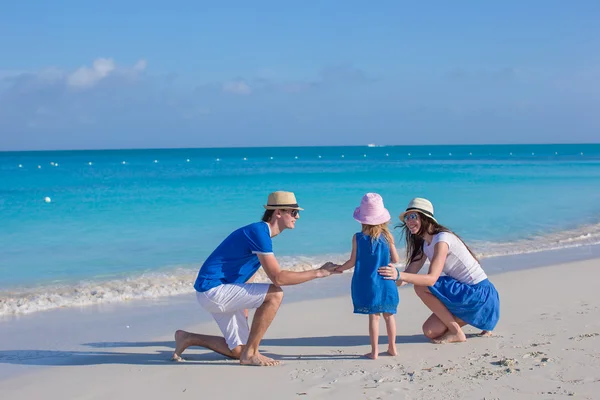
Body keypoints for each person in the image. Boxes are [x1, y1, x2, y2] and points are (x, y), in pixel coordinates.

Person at [172, 191, 339, 366]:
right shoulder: (259, 233)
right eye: (293, 212)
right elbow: (278, 278)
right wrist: (319, 272)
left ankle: (188, 338)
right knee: (275, 293)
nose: (297, 217)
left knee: (237, 351)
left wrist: (242, 303)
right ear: (278, 213)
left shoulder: (260, 233)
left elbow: (245, 270)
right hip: (213, 291)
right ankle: (251, 354)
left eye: (297, 212)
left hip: (218, 291)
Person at [378, 198, 500, 344]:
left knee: (421, 285)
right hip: (466, 295)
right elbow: (405, 277)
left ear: (425, 218)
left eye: (413, 216)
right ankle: (466, 323)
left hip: (478, 295)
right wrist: (382, 280)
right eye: (406, 217)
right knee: (430, 331)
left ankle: (457, 332)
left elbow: (431, 279)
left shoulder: (442, 239)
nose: (409, 221)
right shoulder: (424, 244)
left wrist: (398, 274)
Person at [334, 193, 400, 359]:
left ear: (363, 220)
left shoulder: (357, 238)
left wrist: (339, 269)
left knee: (374, 318)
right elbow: (396, 259)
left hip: (370, 283)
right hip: (386, 281)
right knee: (389, 315)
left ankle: (374, 351)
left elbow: (352, 261)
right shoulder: (387, 237)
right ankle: (392, 348)